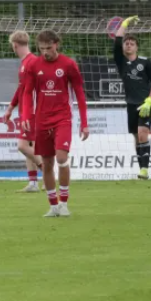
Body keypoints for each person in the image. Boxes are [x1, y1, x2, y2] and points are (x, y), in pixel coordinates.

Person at [21, 30, 89, 217]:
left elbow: (80, 94)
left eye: (49, 48)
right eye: (42, 49)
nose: (45, 52)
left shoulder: (68, 64)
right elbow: (27, 92)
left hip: (62, 118)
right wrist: (26, 116)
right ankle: (53, 206)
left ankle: (64, 203)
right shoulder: (34, 65)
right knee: (47, 162)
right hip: (41, 120)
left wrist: (84, 122)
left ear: (56, 44)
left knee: (61, 158)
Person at [113, 16, 151, 180]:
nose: (128, 45)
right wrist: (124, 24)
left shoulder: (146, 63)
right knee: (136, 137)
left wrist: (149, 100)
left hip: (145, 104)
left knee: (142, 134)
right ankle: (141, 170)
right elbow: (117, 40)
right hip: (131, 104)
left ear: (136, 47)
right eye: (127, 43)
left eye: (132, 43)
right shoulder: (120, 62)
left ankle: (145, 170)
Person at [3, 31, 43, 192]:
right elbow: (22, 89)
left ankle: (47, 170)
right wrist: (11, 107)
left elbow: (31, 90)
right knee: (30, 146)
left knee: (22, 145)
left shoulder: (32, 62)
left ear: (15, 45)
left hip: (32, 112)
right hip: (27, 110)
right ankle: (33, 182)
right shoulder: (26, 62)